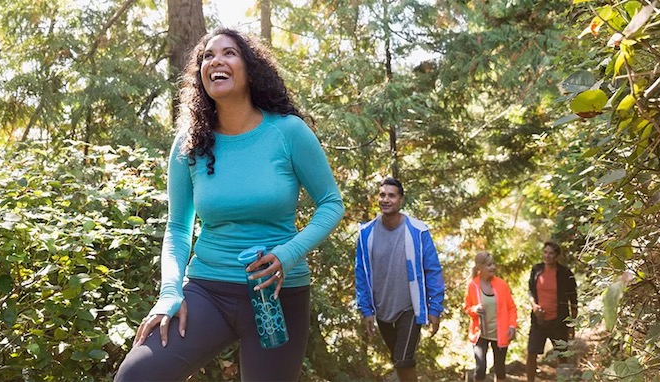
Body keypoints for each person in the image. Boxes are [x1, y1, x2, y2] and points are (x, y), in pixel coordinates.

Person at [114, 28, 345, 381]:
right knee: (137, 374)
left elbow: (331, 204)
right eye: (207, 56)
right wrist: (169, 293)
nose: (216, 61)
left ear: (250, 68)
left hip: (278, 294)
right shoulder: (190, 142)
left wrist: (287, 254)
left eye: (229, 53)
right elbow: (178, 227)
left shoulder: (288, 132)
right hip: (208, 290)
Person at [354, 177, 445, 382]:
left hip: (410, 307)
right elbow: (361, 273)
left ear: (401, 200)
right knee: (399, 360)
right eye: (382, 195)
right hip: (382, 308)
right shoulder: (366, 233)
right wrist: (366, 310)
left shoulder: (417, 230)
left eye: (391, 195)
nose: (386, 199)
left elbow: (433, 271)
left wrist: (435, 308)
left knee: (404, 360)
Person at [526, 241, 578, 381]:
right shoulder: (536, 270)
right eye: (545, 252)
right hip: (539, 321)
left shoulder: (565, 273)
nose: (547, 256)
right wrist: (534, 306)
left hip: (559, 322)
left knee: (562, 355)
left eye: (551, 253)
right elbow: (530, 291)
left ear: (557, 256)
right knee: (531, 353)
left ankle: (564, 379)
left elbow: (573, 301)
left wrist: (572, 325)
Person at [464, 251, 517, 382]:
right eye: (488, 265)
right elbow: (466, 307)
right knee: (480, 369)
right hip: (480, 334)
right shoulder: (472, 285)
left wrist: (512, 326)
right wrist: (474, 309)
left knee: (500, 370)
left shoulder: (501, 285)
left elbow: (512, 308)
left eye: (493, 264)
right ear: (479, 268)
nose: (492, 267)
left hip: (500, 333)